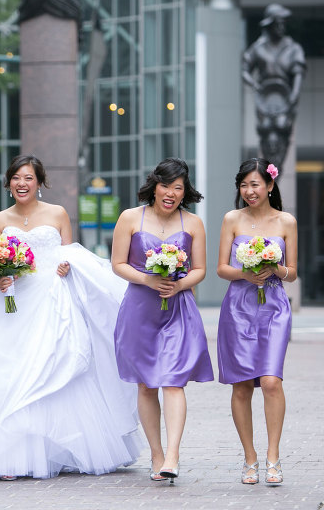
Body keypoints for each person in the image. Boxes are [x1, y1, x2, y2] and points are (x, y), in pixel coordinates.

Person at [0, 154, 140, 480]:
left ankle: (61, 450)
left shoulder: (57, 214)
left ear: (39, 182)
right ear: (8, 183)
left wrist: (67, 267)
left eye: (28, 178)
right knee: (8, 370)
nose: (22, 183)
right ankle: (6, 456)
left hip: (53, 297)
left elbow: (72, 255)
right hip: (12, 301)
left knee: (55, 367)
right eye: (16, 178)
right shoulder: (0, 219)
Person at [112, 157, 213, 483]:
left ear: (185, 192)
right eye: (166, 185)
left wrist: (179, 284)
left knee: (173, 380)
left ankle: (172, 454)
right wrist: (148, 279)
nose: (171, 193)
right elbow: (118, 263)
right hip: (140, 309)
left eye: (178, 188)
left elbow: (199, 270)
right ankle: (156, 453)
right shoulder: (130, 217)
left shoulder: (193, 223)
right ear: (154, 186)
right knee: (146, 385)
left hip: (179, 309)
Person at [216, 158, 297, 485]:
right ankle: (250, 458)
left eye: (255, 184)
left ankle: (273, 457)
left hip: (274, 305)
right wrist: (246, 272)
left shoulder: (286, 222)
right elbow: (222, 268)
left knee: (270, 381)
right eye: (244, 185)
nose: (249, 191)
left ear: (270, 186)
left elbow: (292, 273)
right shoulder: (231, 219)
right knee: (241, 384)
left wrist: (274, 268)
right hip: (238, 307)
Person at [242, 3, 306, 170]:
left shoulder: (292, 48)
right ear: (270, 25)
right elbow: (245, 69)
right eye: (278, 23)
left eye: (283, 23)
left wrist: (294, 94)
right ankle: (270, 171)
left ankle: (277, 170)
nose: (281, 27)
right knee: (266, 130)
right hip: (265, 99)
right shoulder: (259, 47)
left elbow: (299, 72)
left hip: (285, 98)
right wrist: (254, 84)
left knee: (282, 126)